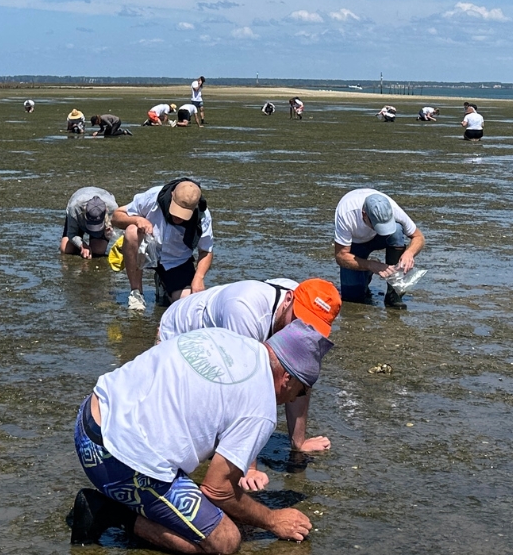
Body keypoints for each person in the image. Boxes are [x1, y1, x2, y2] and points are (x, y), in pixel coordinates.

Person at [66, 322, 329, 553]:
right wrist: (273, 519)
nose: (296, 399)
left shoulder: (229, 338)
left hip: (87, 422)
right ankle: (108, 513)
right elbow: (217, 489)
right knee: (225, 539)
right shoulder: (261, 407)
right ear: (286, 379)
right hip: (113, 461)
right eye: (302, 390)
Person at [157, 278, 342, 482]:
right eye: (297, 319)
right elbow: (244, 388)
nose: (299, 330)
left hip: (221, 331)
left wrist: (299, 443)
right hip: (182, 332)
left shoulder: (298, 303)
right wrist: (248, 466)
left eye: (311, 327)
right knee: (183, 429)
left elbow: (300, 379)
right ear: (289, 299)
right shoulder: (245, 311)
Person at [112, 178, 213, 312]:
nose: (178, 218)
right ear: (172, 195)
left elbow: (206, 251)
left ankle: (164, 284)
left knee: (189, 305)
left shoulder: (203, 216)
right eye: (176, 211)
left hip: (176, 261)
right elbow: (116, 217)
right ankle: (136, 293)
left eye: (184, 215)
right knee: (131, 231)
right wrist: (137, 219)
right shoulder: (153, 196)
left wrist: (199, 278)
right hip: (147, 250)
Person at [333, 188, 426, 308]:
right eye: (376, 225)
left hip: (380, 239)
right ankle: (366, 273)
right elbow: (341, 256)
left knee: (397, 231)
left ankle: (394, 293)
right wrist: (371, 265)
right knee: (353, 298)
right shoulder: (346, 214)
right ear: (364, 215)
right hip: (355, 245)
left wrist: (409, 253)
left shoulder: (393, 208)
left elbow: (419, 237)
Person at [62, 187, 117, 259]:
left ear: (106, 210)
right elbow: (72, 234)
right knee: (66, 249)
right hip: (79, 199)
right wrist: (82, 246)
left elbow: (120, 235)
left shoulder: (114, 209)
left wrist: (109, 234)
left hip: (105, 196)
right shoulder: (74, 208)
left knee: (97, 252)